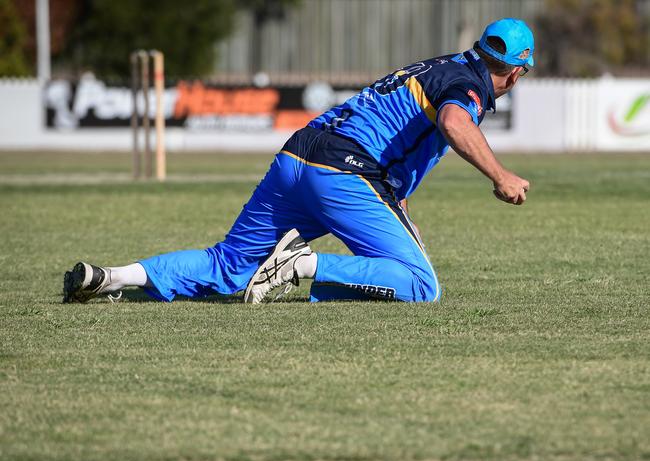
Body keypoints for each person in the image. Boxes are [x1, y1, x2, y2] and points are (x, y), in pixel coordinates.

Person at [63, 18, 534, 305]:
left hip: (299, 154)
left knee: (227, 264)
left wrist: (396, 200)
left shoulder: (439, 65)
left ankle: (111, 277)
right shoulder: (465, 85)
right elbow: (454, 122)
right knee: (419, 284)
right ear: (515, 72)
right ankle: (304, 264)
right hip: (345, 173)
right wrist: (500, 174)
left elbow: (399, 129)